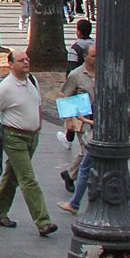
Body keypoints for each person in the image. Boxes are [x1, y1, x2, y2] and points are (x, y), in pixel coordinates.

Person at [0, 49, 57, 236]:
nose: (26, 62)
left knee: (13, 175)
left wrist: (38, 125)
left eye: (27, 59)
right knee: (28, 178)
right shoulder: (4, 89)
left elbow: (38, 105)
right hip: (14, 137)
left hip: (32, 136)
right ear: (10, 64)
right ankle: (43, 221)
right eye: (21, 60)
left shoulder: (32, 81)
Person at [56, 44, 97, 204]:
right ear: (85, 57)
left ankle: (70, 174)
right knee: (87, 149)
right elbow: (64, 96)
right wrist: (68, 120)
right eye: (93, 56)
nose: (96, 59)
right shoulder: (76, 75)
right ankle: (77, 181)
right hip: (83, 120)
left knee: (85, 152)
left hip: (98, 119)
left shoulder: (102, 71)